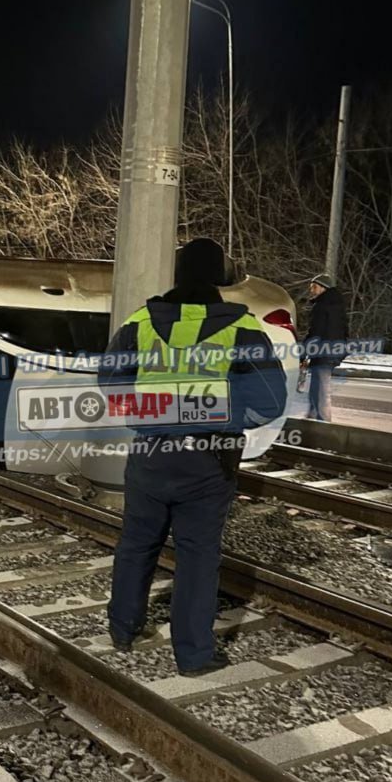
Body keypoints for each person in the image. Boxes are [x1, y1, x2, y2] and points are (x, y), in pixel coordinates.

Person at [99, 237, 287, 676]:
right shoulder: (242, 329)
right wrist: (219, 419)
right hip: (209, 461)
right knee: (198, 556)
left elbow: (111, 386)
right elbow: (270, 400)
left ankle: (122, 628)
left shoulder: (141, 321)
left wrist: (154, 417)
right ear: (219, 278)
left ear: (176, 275)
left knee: (136, 545)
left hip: (150, 454)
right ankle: (194, 655)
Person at [301, 276, 348, 422]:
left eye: (314, 287)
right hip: (335, 350)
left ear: (323, 288)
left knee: (321, 389)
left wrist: (302, 354)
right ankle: (312, 416)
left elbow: (315, 332)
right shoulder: (338, 305)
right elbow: (345, 330)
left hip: (323, 351)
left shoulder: (322, 306)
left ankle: (323, 424)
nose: (312, 290)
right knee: (317, 386)